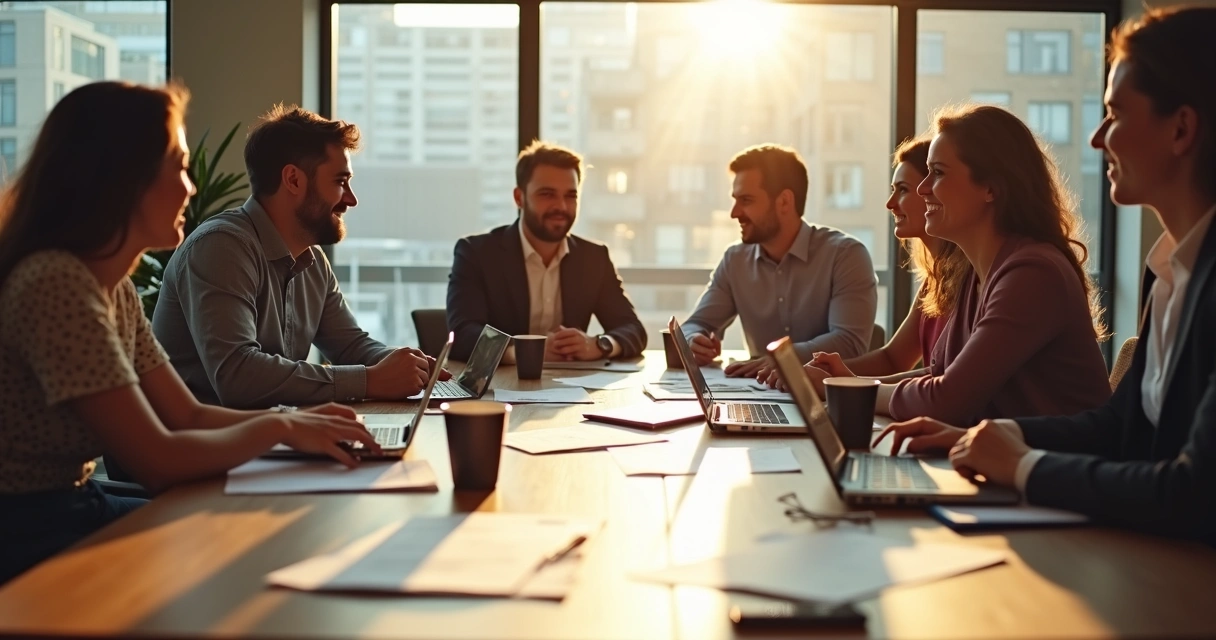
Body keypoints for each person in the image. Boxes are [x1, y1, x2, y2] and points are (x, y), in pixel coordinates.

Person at [0, 82, 378, 585]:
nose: (191, 187)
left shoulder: (115, 291)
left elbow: (188, 415)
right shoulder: (57, 282)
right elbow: (156, 460)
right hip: (29, 526)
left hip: (74, 503)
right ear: (124, 177)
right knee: (250, 561)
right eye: (179, 166)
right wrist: (284, 428)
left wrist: (299, 431)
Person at [878, 6, 1216, 543]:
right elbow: (1119, 426)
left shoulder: (1035, 270)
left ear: (1181, 129)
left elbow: (1194, 493)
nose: (1097, 138)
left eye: (1115, 114)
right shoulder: (1171, 271)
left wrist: (1023, 463)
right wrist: (996, 437)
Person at [154, 105, 444, 408]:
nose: (351, 199)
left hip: (264, 435)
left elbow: (350, 345)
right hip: (200, 447)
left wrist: (410, 366)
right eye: (340, 181)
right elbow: (238, 376)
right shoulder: (220, 247)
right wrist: (371, 380)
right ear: (293, 180)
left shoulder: (313, 261)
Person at [763, 136, 962, 392]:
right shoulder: (936, 281)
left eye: (902, 189)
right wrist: (834, 375)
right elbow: (892, 358)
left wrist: (844, 383)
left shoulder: (969, 281)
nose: (890, 204)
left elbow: (943, 377)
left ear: (930, 190)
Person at [682, 144, 878, 378]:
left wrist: (784, 358)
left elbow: (849, 342)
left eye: (746, 200)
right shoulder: (735, 260)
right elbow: (693, 325)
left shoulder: (846, 255)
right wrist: (694, 340)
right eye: (735, 200)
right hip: (759, 392)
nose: (734, 213)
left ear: (784, 202)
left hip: (825, 399)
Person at [446, 141, 646, 362]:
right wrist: (526, 351)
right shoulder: (477, 253)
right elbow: (462, 334)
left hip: (573, 388)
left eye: (571, 196)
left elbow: (633, 328)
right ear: (519, 198)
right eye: (547, 194)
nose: (561, 206)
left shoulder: (593, 257)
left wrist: (599, 344)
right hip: (500, 389)